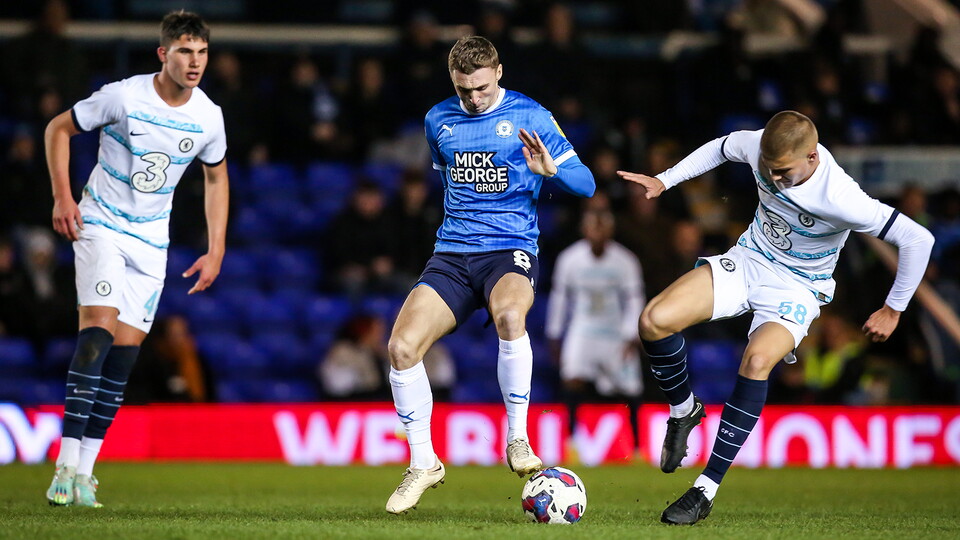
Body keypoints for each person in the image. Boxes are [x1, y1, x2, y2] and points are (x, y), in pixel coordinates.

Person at [616, 110, 933, 525]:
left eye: (784, 172)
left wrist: (894, 308)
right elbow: (721, 147)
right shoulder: (762, 146)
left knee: (757, 360)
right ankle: (683, 410)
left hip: (796, 288)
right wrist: (666, 179)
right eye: (769, 170)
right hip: (749, 259)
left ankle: (705, 489)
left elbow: (917, 238)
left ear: (812, 158)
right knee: (653, 320)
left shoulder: (841, 198)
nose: (775, 179)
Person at [383, 36, 595, 514]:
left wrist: (551, 170)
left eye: (480, 88)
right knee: (400, 347)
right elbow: (447, 178)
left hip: (510, 248)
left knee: (510, 316)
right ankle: (423, 463)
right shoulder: (438, 119)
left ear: (498, 72)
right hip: (454, 253)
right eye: (463, 91)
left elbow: (587, 184)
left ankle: (517, 438)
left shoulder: (532, 116)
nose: (473, 99)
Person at [43, 10, 229, 508]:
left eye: (202, 52)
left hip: (151, 244)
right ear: (163, 54)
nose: (195, 62)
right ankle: (62, 463)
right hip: (100, 224)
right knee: (97, 333)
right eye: (185, 52)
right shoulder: (123, 96)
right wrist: (64, 198)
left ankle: (85, 474)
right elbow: (58, 129)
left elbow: (216, 177)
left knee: (123, 359)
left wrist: (216, 248)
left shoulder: (208, 116)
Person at [545, 209, 645, 452]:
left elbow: (634, 299)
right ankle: (570, 441)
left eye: (602, 227)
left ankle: (637, 447)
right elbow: (560, 298)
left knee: (630, 388)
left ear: (610, 230)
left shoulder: (625, 260)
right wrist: (554, 333)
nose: (598, 232)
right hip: (582, 330)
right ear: (585, 229)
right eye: (593, 226)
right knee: (572, 379)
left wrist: (632, 334)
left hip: (615, 333)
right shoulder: (570, 259)